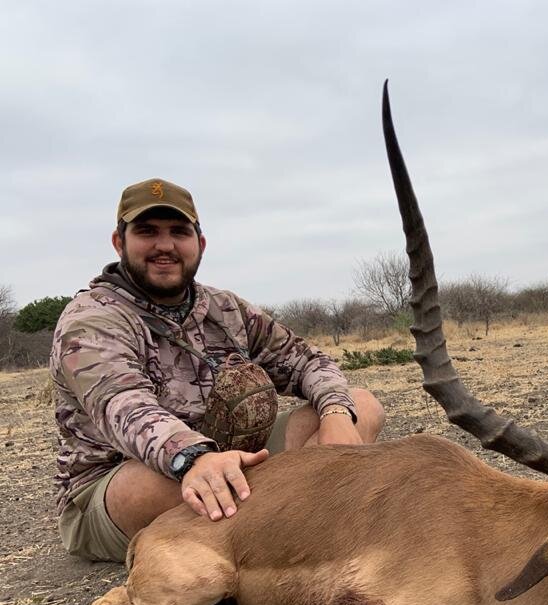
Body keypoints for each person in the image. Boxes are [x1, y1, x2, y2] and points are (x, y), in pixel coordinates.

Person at [50, 178, 385, 563]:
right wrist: (192, 459)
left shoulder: (224, 308)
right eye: (147, 232)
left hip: (233, 460)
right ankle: (299, 524)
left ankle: (286, 522)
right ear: (119, 242)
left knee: (362, 405)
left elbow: (308, 361)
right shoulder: (92, 319)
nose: (164, 246)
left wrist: (336, 413)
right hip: (125, 480)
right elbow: (124, 406)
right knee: (150, 486)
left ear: (200, 244)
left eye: (179, 232)